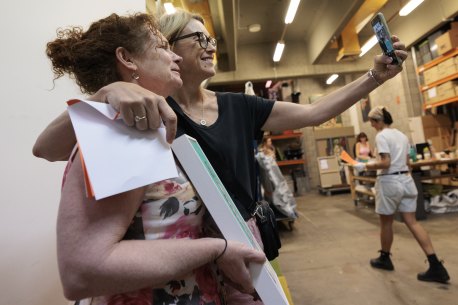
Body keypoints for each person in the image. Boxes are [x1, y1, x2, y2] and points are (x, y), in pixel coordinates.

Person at [34, 5, 407, 288]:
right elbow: (47, 149)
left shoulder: (236, 105)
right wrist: (107, 94)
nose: (207, 48)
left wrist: (374, 77)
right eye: (196, 40)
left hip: (244, 244)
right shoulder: (148, 113)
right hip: (191, 270)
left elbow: (313, 112)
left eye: (210, 39)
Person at [46, 13, 266, 305]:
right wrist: (215, 249)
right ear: (126, 58)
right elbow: (81, 271)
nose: (174, 56)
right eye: (161, 47)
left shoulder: (144, 128)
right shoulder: (122, 133)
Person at [354, 106, 450, 284]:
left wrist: (365, 166)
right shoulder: (402, 135)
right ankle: (436, 264)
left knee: (386, 222)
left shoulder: (382, 136)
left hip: (390, 182)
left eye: (373, 122)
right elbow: (407, 162)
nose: (372, 126)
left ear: (378, 121)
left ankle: (385, 258)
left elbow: (385, 163)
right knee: (412, 222)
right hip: (407, 180)